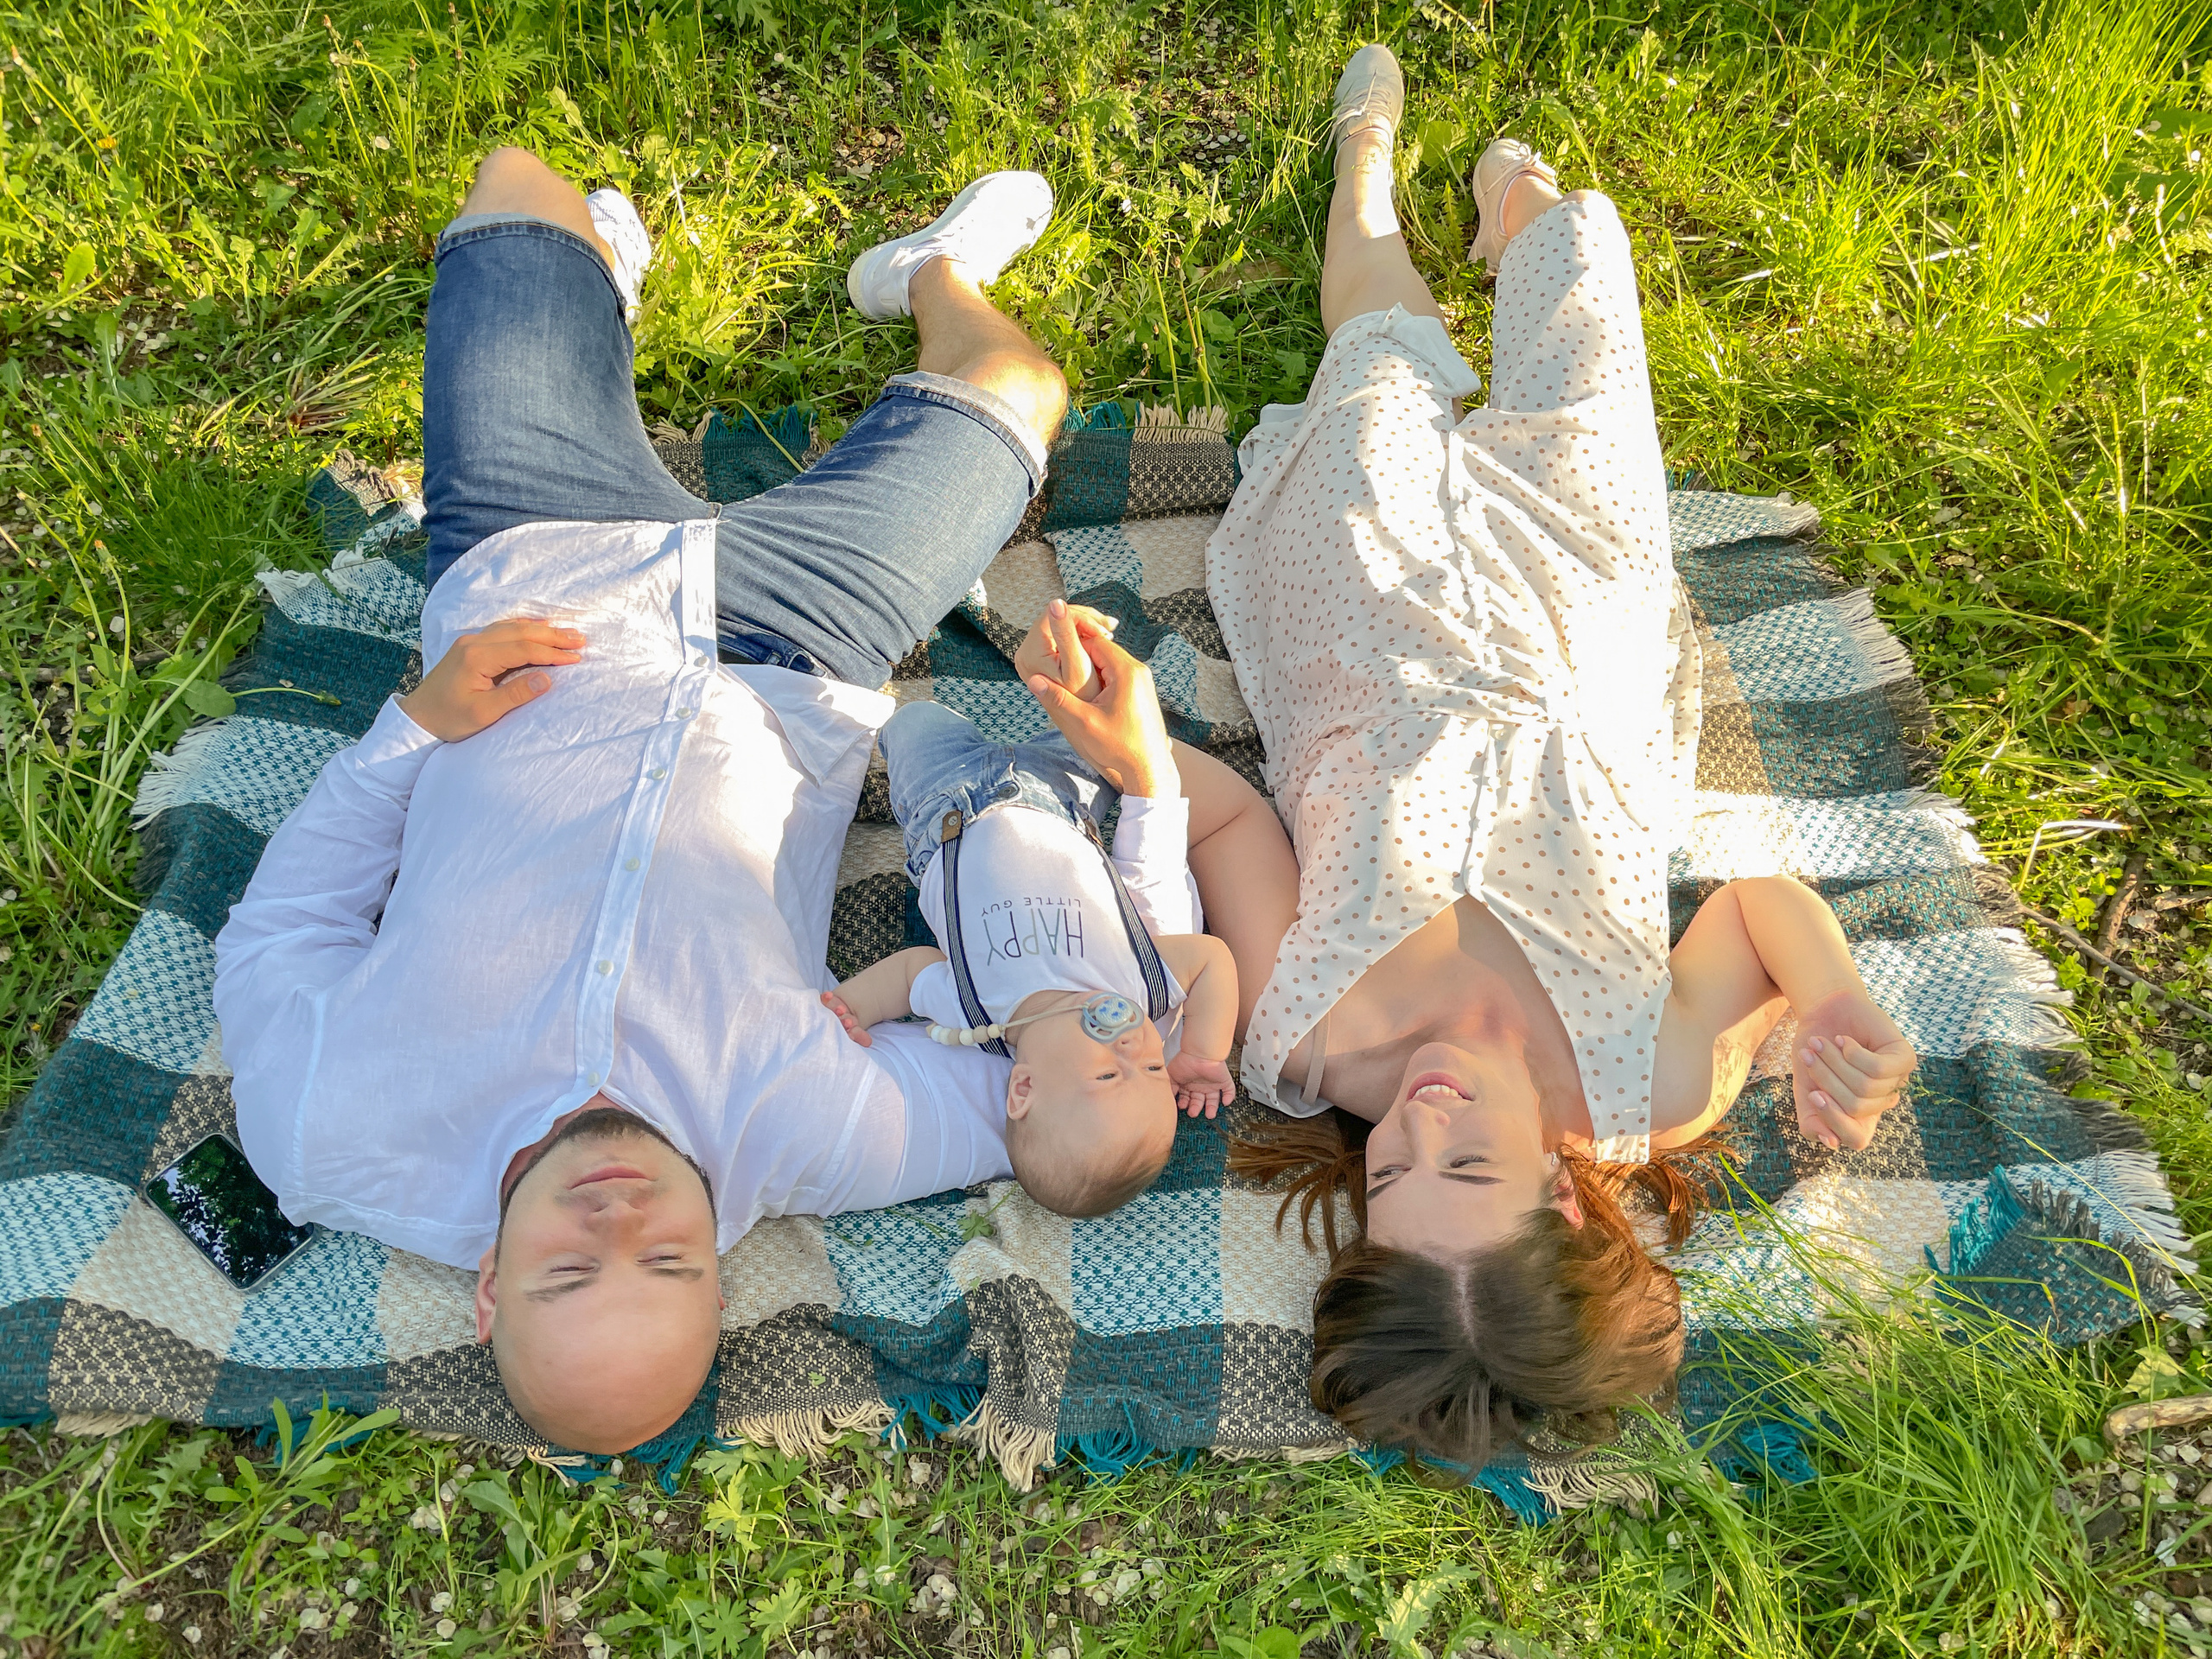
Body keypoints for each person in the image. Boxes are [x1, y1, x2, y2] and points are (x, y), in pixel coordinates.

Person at [213, 149, 1081, 1456]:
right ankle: (927, 275)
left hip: (535, 573)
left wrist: (413, 729)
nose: (621, 1221)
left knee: (513, 190)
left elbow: (281, 933)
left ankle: (599, 289)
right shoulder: (810, 1140)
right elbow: (1054, 1090)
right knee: (1021, 391)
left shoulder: (324, 1138)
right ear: (724, 1283)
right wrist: (1151, 1028)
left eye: (570, 1273)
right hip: (801, 641)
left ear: (493, 1289)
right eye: (666, 1267)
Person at [1210, 47, 1919, 1470]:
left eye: (1392, 1179)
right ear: (1568, 1192)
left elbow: (1228, 821)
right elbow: (1755, 911)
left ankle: (1365, 174)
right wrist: (1836, 997)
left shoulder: (1312, 1047)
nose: (1412, 1129)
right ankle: (1513, 206)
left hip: (1369, 636)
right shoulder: (1644, 1090)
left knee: (1379, 388)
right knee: (1591, 338)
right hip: (1575, 655)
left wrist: (1126, 757)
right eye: (1465, 1164)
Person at [821, 600, 1294, 1217]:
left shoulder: (974, 1013)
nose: (1132, 1048)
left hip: (942, 814)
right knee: (1083, 700)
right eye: (1153, 1067)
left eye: (1108, 1075)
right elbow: (1211, 960)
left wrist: (853, 1006)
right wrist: (1200, 1053)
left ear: (1024, 1088)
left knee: (910, 724)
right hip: (1062, 797)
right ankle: (1073, 648)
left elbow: (913, 972)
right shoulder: (1143, 988)